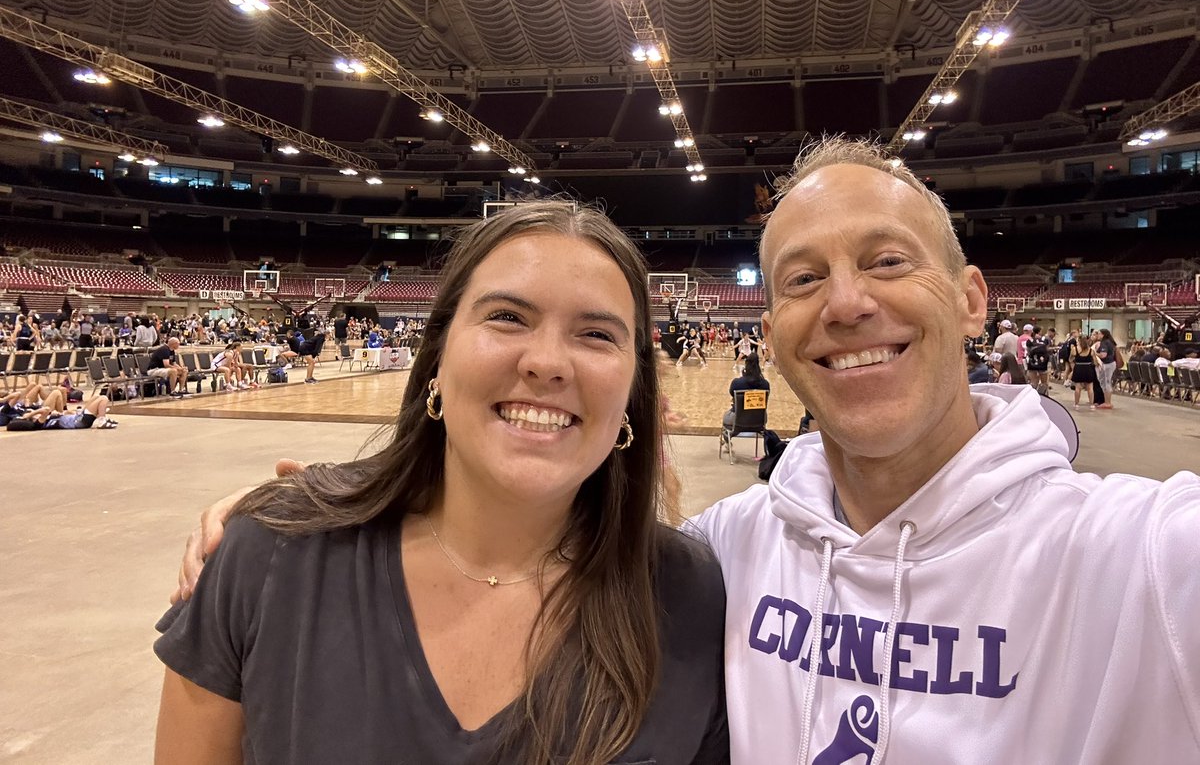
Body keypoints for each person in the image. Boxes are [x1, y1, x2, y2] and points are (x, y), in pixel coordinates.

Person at [178, 140, 1200, 763]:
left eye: (888, 260)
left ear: (973, 298)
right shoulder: (725, 555)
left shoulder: (1146, 555)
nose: (847, 303)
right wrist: (293, 524)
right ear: (774, 328)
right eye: (802, 279)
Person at [155, 201, 728, 765]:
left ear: (633, 391)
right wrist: (285, 511)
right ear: (437, 355)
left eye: (597, 334)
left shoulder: (690, 593)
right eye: (508, 317)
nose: (548, 362)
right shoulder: (271, 552)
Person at [721, 354, 770, 452]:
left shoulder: (737, 383)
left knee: (726, 419)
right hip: (759, 419)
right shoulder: (765, 384)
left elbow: (731, 393)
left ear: (746, 364)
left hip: (738, 418)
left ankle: (727, 439)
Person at [1068, 334, 1100, 409]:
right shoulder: (1091, 350)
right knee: (1090, 388)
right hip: (1088, 369)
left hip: (1078, 368)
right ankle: (1092, 404)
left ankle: (1076, 404)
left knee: (1078, 387)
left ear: (1079, 340)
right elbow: (1095, 362)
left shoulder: (1074, 349)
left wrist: (1074, 363)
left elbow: (1070, 359)